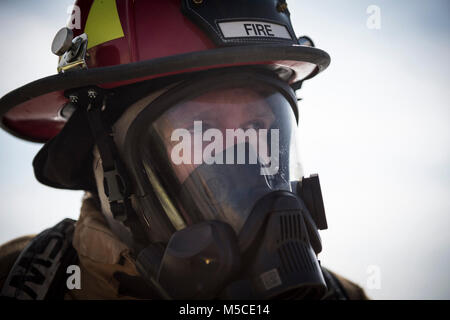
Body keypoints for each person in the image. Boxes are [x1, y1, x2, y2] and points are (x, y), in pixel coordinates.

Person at [0, 0, 367, 300]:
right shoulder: (16, 280)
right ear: (107, 160)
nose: (245, 158)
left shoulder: (345, 297)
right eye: (203, 132)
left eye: (259, 128)